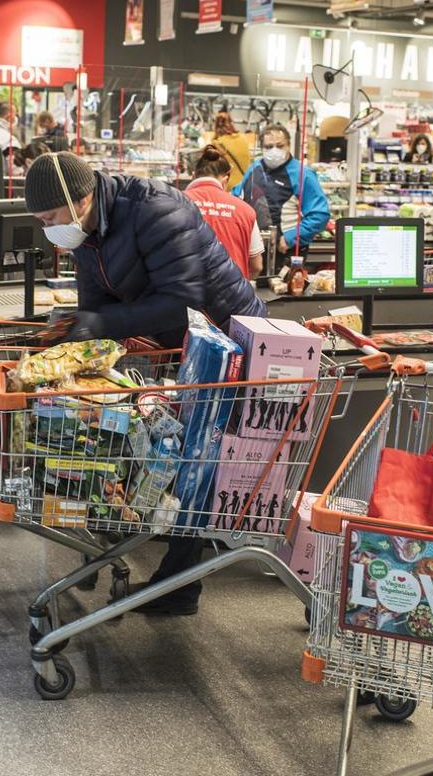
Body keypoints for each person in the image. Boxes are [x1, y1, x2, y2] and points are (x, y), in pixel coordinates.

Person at [24, 152, 265, 615]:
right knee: (170, 451)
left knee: (198, 458)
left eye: (50, 217)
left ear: (81, 198)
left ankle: (179, 587)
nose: (47, 227)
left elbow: (182, 302)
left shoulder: (155, 207)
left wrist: (97, 321)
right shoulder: (88, 232)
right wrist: (74, 346)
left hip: (227, 344)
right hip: (181, 348)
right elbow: (95, 299)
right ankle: (138, 557)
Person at [233, 124, 330, 255]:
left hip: (285, 251)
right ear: (261, 148)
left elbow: (319, 215)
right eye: (268, 147)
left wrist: (291, 238)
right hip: (253, 250)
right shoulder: (254, 168)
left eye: (279, 146)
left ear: (288, 146)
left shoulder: (303, 174)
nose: (274, 150)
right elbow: (235, 199)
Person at [185, 146, 264, 280]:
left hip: (186, 295)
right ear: (225, 180)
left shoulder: (174, 202)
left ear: (194, 175)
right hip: (232, 295)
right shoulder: (245, 210)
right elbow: (256, 266)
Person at [210, 111, 251, 189]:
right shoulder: (243, 139)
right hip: (244, 186)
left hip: (228, 188)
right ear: (231, 123)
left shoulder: (217, 143)